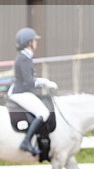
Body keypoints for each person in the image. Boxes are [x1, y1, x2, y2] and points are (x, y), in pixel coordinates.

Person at [7, 27, 58, 156]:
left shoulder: (26, 57)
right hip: (21, 92)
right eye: (34, 40)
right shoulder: (24, 58)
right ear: (29, 42)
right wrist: (44, 83)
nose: (36, 43)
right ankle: (26, 142)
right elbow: (28, 82)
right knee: (44, 113)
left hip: (23, 91)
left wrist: (43, 80)